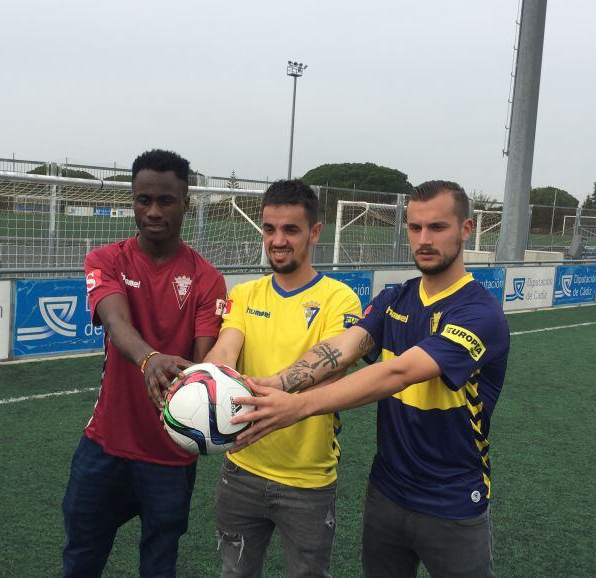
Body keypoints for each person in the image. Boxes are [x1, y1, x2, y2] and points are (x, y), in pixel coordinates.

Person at [232, 181, 511, 578]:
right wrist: (275, 385)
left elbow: (398, 373)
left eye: (437, 227)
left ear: (466, 230)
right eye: (415, 228)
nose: (424, 239)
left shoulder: (480, 313)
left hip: (453, 502)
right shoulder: (394, 299)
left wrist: (298, 406)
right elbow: (343, 348)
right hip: (386, 495)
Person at [61, 149, 227, 577]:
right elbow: (116, 322)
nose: (153, 211)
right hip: (104, 446)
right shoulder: (106, 259)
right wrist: (149, 359)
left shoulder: (207, 279)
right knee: (81, 558)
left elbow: (201, 362)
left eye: (165, 201)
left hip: (171, 452)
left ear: (186, 203)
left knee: (159, 563)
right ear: (133, 200)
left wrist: (190, 379)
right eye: (143, 200)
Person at [202, 179, 362, 578]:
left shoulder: (339, 298)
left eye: (291, 229)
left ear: (315, 232)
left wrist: (270, 387)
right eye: (270, 229)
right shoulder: (247, 292)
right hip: (241, 469)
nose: (277, 240)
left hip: (307, 479)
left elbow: (332, 367)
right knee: (235, 574)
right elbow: (227, 345)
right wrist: (205, 376)